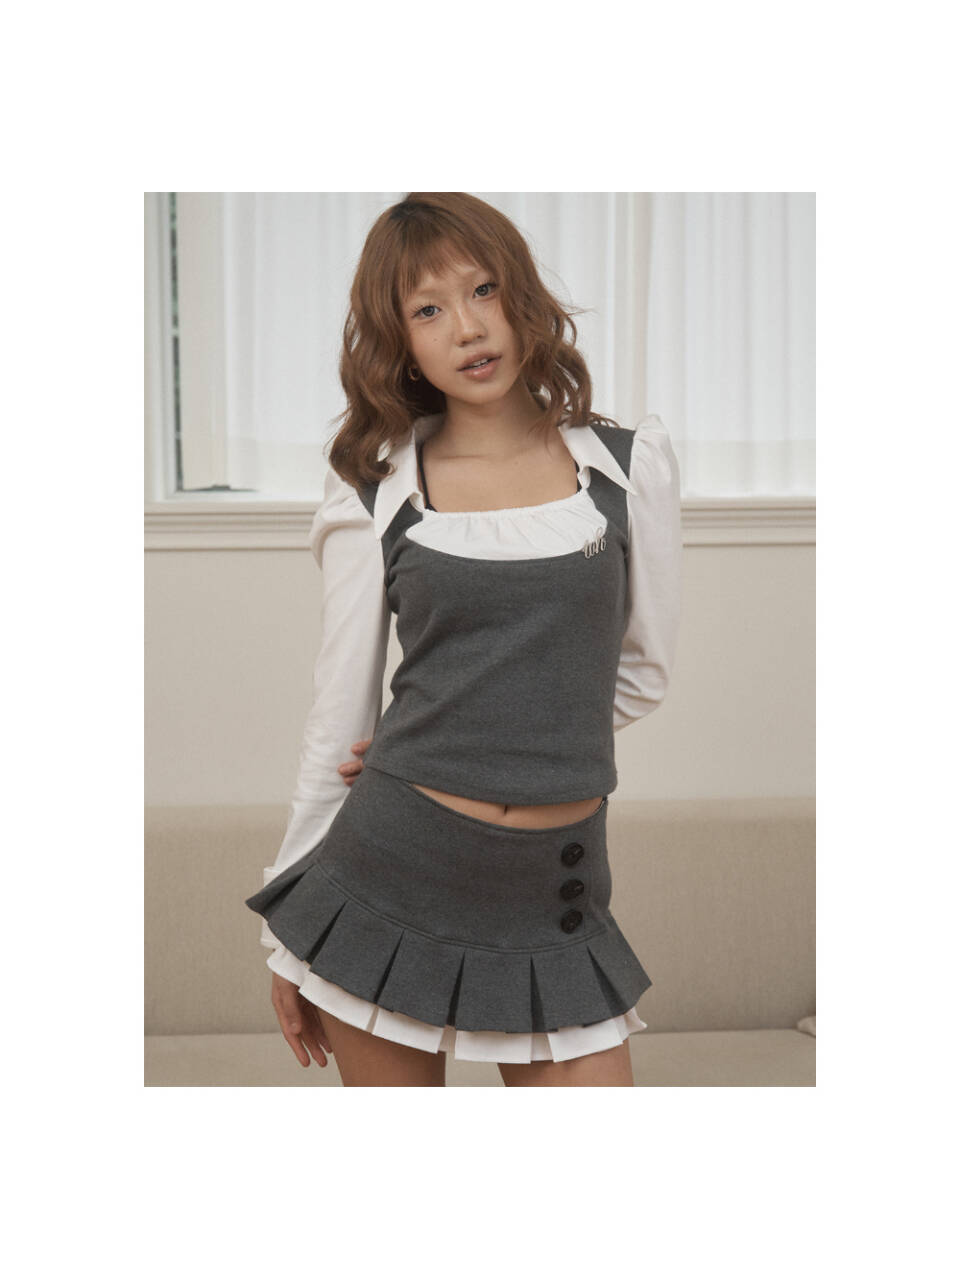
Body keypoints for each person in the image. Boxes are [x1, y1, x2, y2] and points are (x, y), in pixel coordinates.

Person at [245, 192, 683, 1087]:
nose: (468, 328)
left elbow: (641, 671)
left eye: (483, 290)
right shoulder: (376, 488)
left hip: (554, 890)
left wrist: (493, 734)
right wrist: (284, 934)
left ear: (521, 295)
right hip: (390, 868)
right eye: (428, 310)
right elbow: (338, 720)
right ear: (399, 340)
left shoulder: (625, 464)